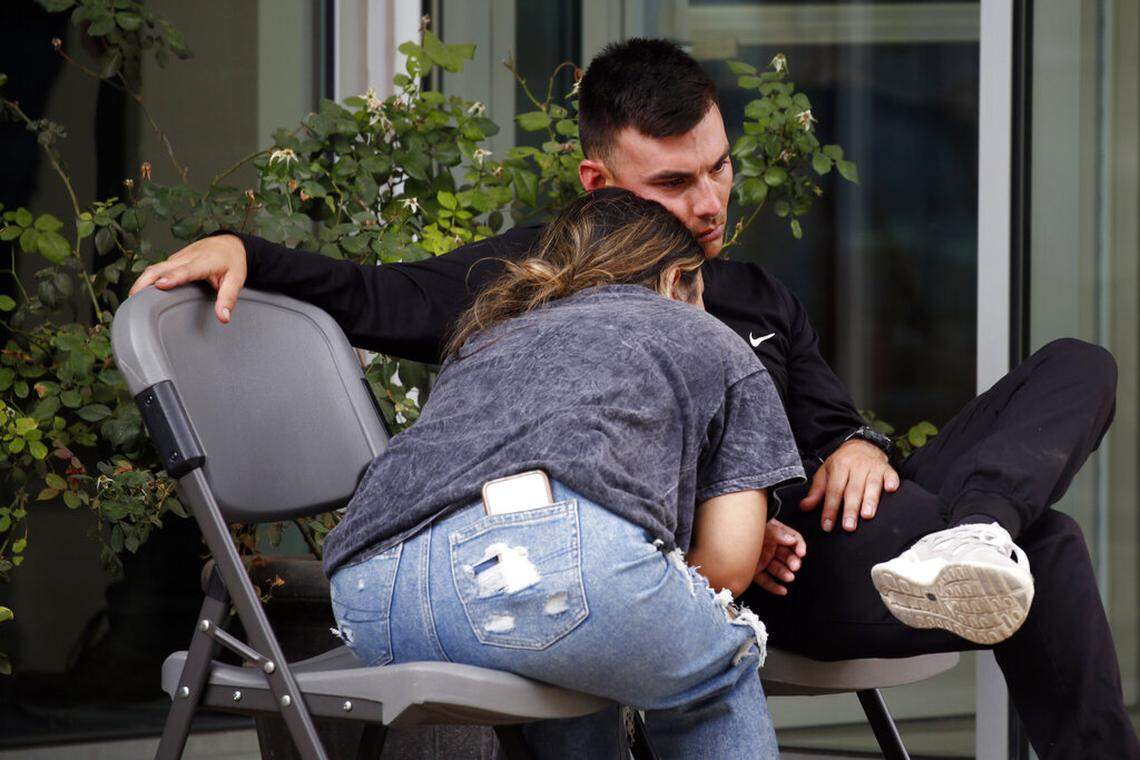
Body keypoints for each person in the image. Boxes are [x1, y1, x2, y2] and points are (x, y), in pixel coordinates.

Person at [130, 38, 1137, 759]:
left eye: (719, 170)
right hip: (762, 573)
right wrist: (246, 250)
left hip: (877, 528)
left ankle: (976, 533)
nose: (707, 207)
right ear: (597, 179)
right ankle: (991, 537)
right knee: (1048, 548)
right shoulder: (532, 278)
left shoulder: (754, 293)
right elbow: (372, 293)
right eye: (672, 185)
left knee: (1080, 363)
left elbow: (829, 422)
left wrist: (860, 443)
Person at [324, 188, 802, 759]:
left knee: (570, 656)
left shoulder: (485, 334)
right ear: (679, 279)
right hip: (552, 576)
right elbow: (726, 566)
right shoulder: (712, 339)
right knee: (716, 666)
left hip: (370, 596)